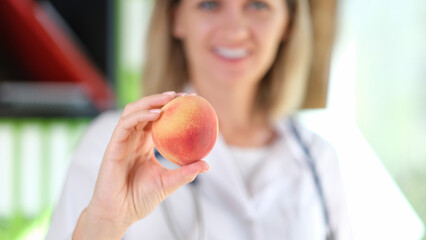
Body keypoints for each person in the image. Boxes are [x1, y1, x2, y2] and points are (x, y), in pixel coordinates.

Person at [46, 0, 351, 239]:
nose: (234, 28)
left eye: (258, 4)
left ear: (288, 22)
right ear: (176, 18)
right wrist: (104, 225)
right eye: (209, 3)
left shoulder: (319, 160)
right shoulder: (113, 145)